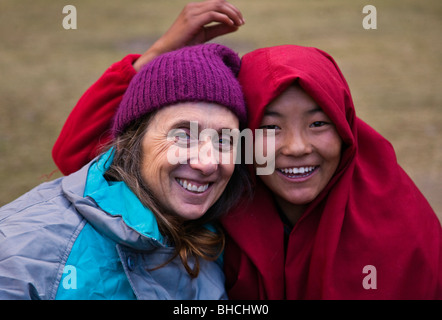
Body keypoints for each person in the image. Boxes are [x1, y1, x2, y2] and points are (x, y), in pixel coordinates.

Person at [50, 3, 442, 299]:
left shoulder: (397, 222)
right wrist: (156, 57)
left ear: (345, 129)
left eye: (319, 123)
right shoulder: (217, 188)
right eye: (270, 127)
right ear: (238, 138)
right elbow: (80, 155)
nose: (296, 147)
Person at [0, 42, 251, 300]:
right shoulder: (20, 250)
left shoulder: (218, 243)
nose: (207, 162)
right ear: (131, 141)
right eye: (183, 135)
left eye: (224, 140)